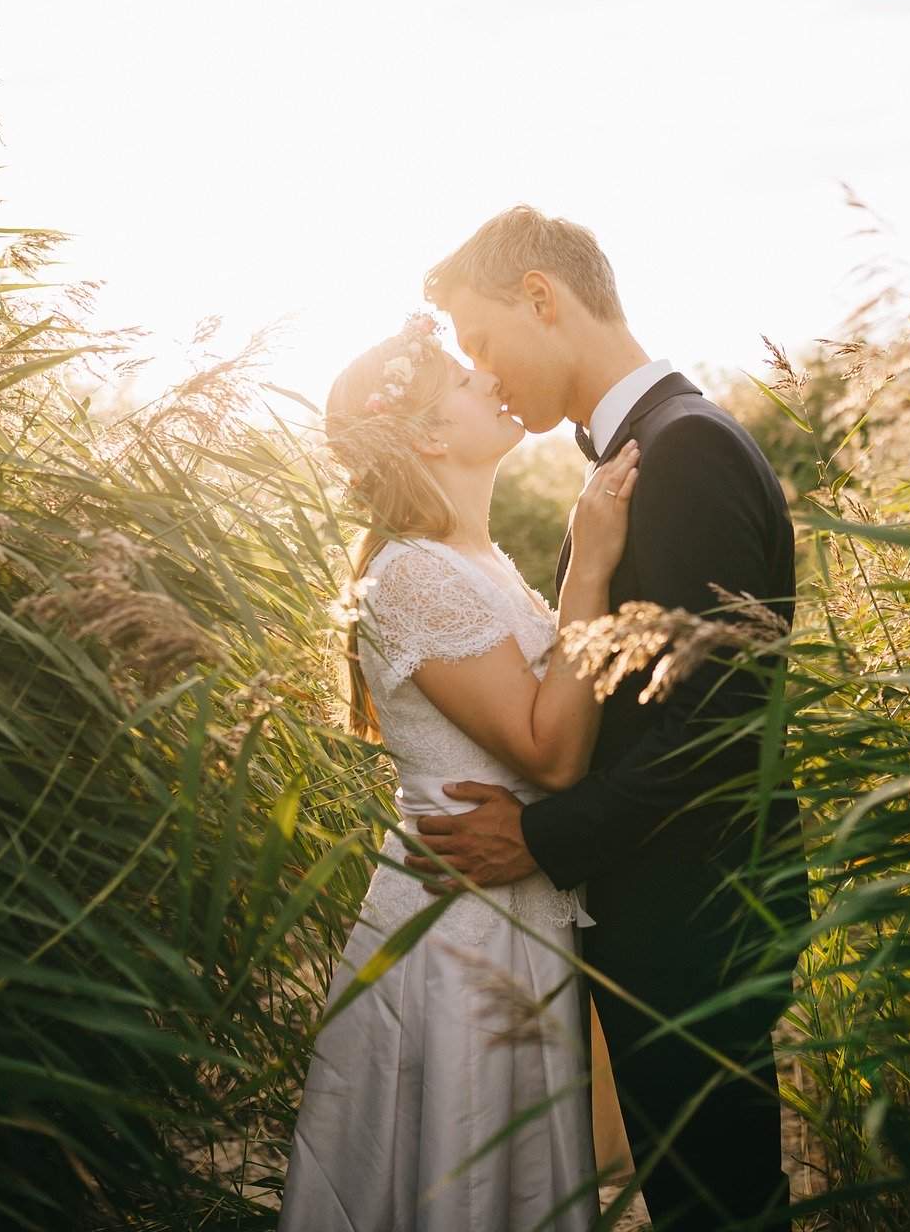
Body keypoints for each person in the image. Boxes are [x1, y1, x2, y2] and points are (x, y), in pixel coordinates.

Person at [407, 206, 805, 1230]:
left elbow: (716, 729)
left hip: (691, 925)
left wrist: (538, 836)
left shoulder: (685, 454)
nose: (485, 372)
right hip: (666, 917)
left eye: (484, 340)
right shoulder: (648, 449)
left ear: (544, 298)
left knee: (720, 1211)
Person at [278, 310, 640, 1231]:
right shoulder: (409, 575)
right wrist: (587, 575)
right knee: (462, 1170)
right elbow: (553, 753)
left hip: (512, 906)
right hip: (458, 930)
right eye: (467, 377)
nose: (491, 376)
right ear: (432, 433)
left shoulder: (476, 561)